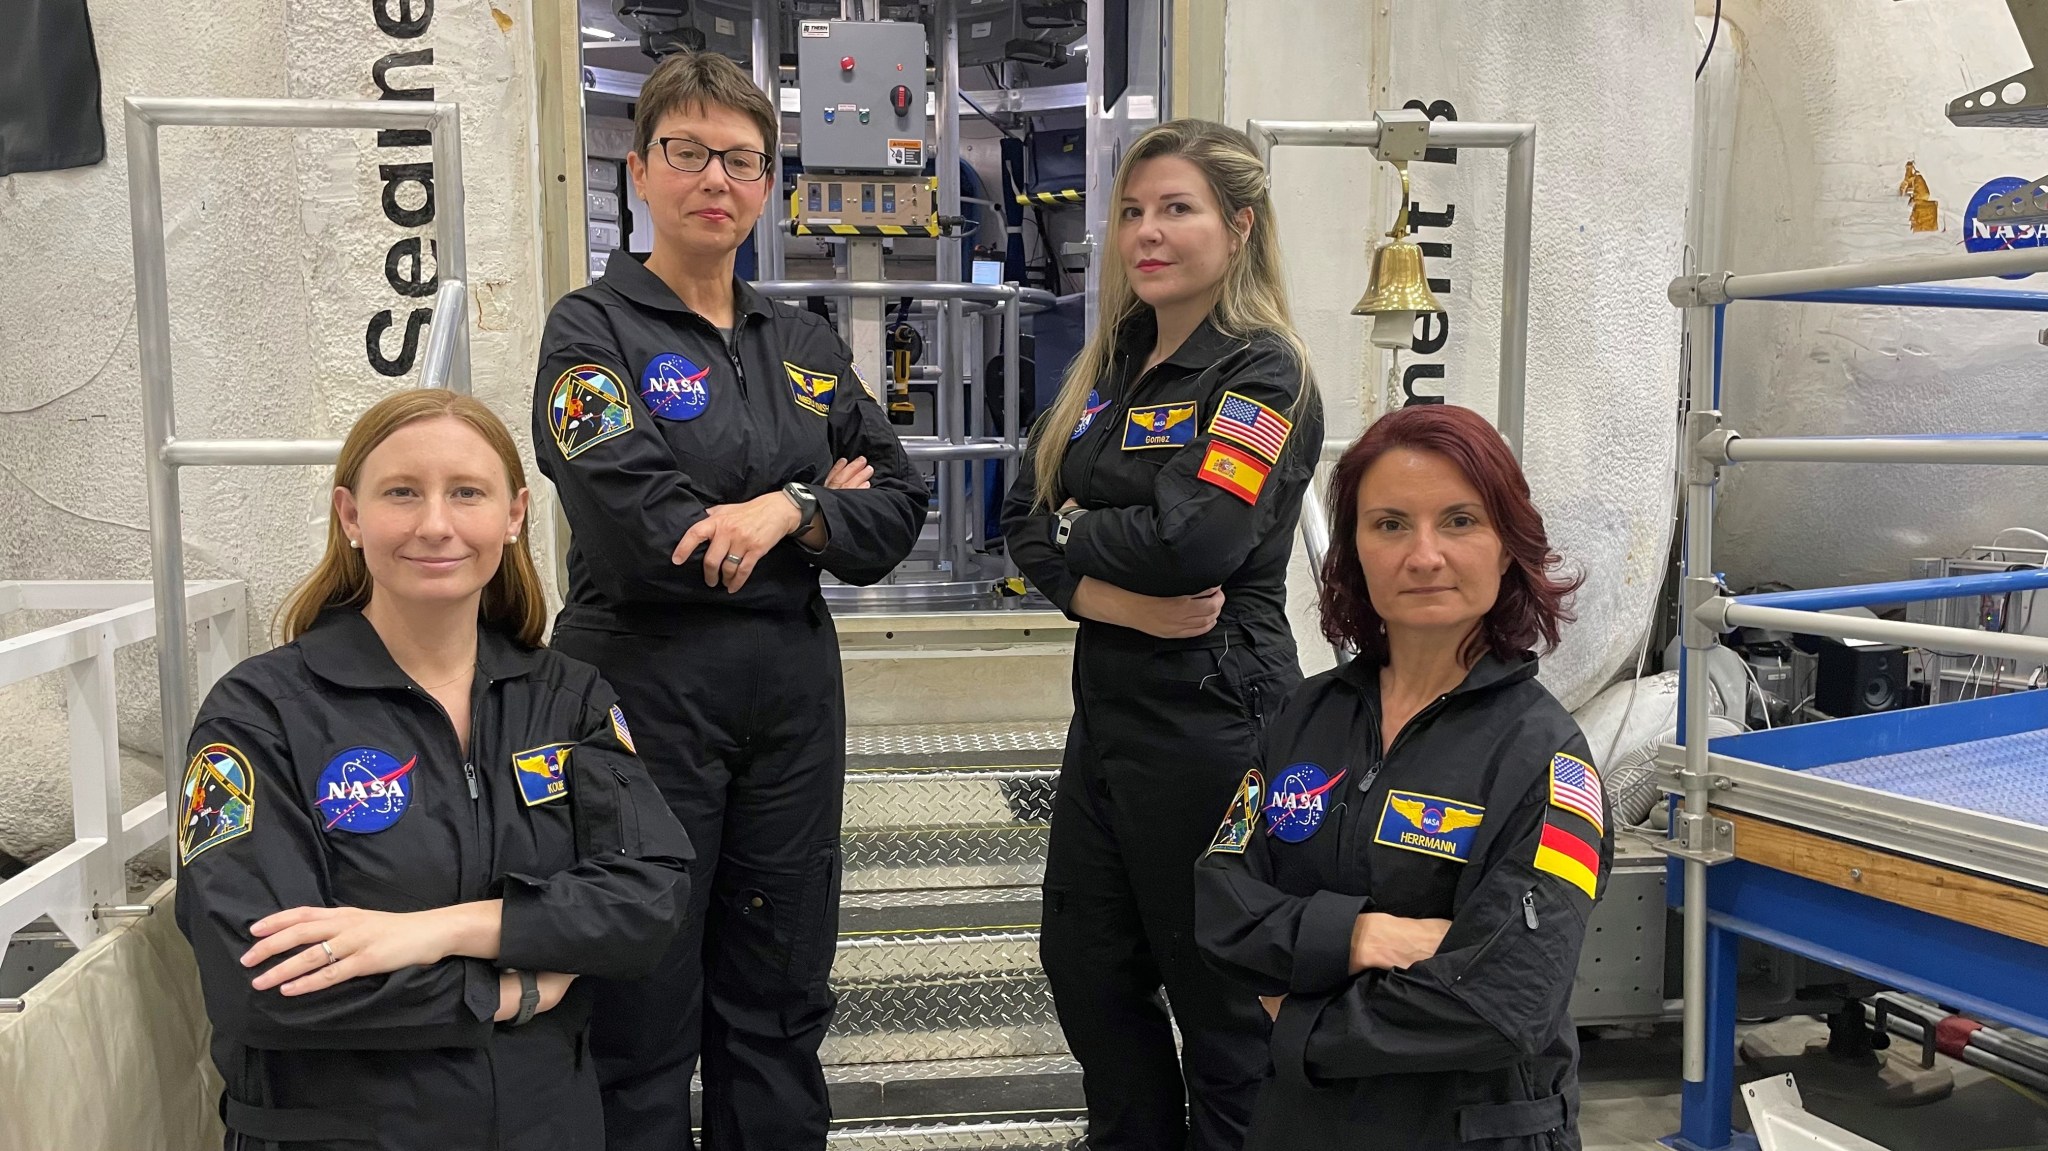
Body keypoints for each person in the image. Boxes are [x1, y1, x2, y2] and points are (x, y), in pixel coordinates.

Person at [529, 51, 925, 1151]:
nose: (715, 177)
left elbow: (896, 504)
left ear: (766, 184)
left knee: (779, 992)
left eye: (741, 160)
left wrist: (785, 512)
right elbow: (642, 533)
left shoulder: (799, 341)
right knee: (642, 1003)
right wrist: (808, 504)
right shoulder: (589, 332)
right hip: (641, 694)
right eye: (687, 152)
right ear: (641, 171)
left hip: (790, 699)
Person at [174, 389, 695, 1150]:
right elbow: (263, 978)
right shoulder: (261, 714)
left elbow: (649, 899)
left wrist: (436, 930)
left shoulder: (569, 700)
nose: (436, 524)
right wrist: (506, 989)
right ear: (351, 517)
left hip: (546, 1128)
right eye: (402, 493)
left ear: (514, 515)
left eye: (466, 492)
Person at [999, 119, 1324, 1151]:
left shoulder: (1261, 374)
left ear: (1236, 227)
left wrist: (1075, 532)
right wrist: (1102, 595)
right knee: (1087, 970)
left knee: (1220, 997)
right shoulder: (1117, 360)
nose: (1146, 231)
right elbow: (1016, 514)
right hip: (1108, 714)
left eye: (1175, 208)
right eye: (1132, 211)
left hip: (1214, 719)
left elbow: (1202, 538)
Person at [1193, 403, 1613, 1150]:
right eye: (1389, 524)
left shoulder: (1549, 762)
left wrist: (1298, 1022)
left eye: (1459, 521)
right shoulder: (1305, 717)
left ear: (1509, 546)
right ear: (1352, 550)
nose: (1423, 555)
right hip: (1303, 1127)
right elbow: (1222, 904)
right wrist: (1355, 934)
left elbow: (1504, 999)